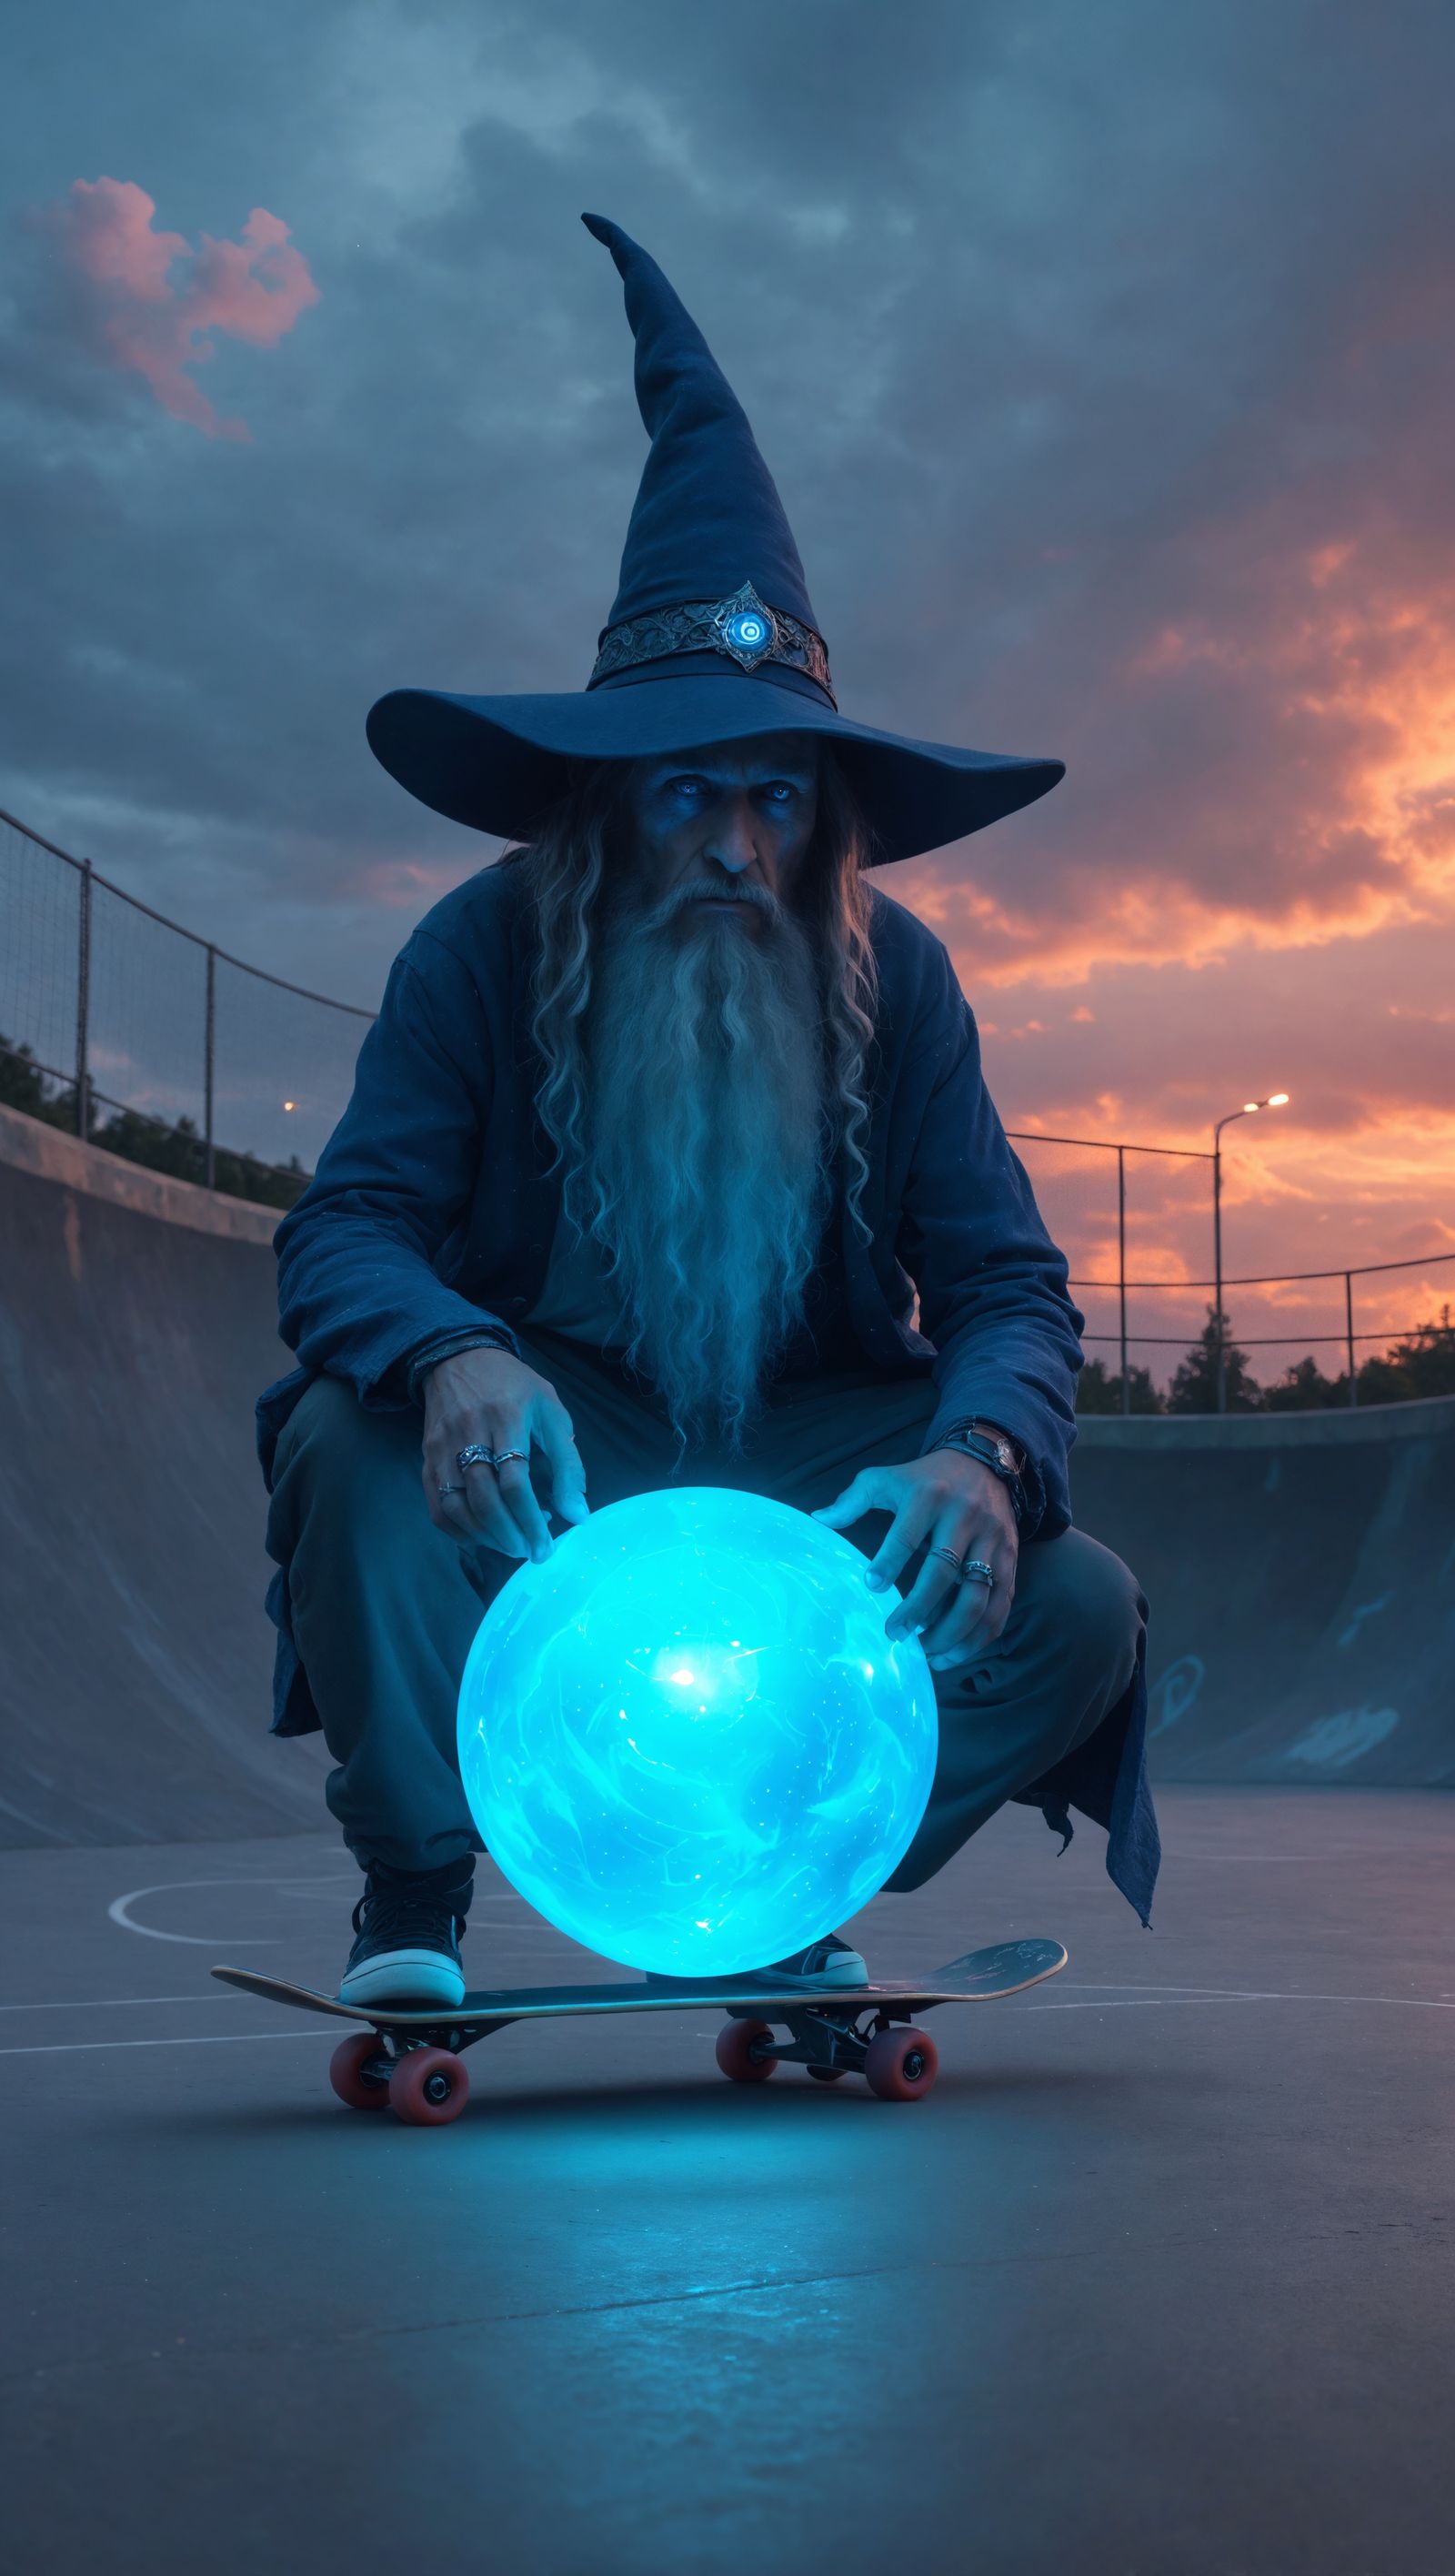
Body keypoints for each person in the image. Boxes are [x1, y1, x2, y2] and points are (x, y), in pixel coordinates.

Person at [256, 214, 1159, 2010]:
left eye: (772, 799)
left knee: (1075, 1604)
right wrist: (450, 1353)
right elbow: (344, 1226)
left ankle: (769, 1866)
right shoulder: (479, 950)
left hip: (801, 1460)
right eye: (686, 795)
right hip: (553, 1465)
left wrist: (977, 1461)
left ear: (816, 818)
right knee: (355, 1447)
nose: (736, 849)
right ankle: (417, 1895)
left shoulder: (890, 978)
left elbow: (1003, 1287)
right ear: (602, 806)